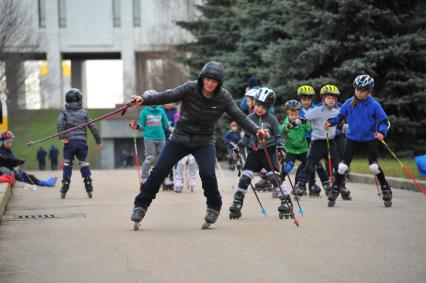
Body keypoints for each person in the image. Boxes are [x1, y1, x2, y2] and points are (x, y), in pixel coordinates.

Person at [130, 61, 266, 230]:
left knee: (208, 173)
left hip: (204, 140)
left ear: (219, 84)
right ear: (202, 78)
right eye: (208, 79)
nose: (210, 84)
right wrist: (144, 100)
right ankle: (140, 206)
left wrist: (257, 130)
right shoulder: (190, 88)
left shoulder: (223, 97)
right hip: (179, 138)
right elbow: (168, 95)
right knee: (159, 170)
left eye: (214, 81)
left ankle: (213, 207)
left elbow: (240, 117)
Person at [325, 75, 392, 207]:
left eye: (362, 90)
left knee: (374, 166)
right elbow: (339, 117)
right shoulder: (349, 102)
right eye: (357, 89)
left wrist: (382, 132)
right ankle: (335, 190)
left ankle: (386, 189)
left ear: (369, 91)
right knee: (342, 166)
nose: (359, 93)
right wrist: (330, 122)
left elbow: (384, 121)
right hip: (352, 139)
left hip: (369, 140)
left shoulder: (374, 105)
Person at [229, 87, 293, 220]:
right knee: (245, 178)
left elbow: (278, 135)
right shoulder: (249, 118)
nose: (259, 109)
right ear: (254, 102)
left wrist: (281, 146)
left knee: (274, 178)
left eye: (263, 107)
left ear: (268, 108)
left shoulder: (272, 120)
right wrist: (238, 147)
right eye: (257, 105)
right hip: (254, 152)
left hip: (268, 153)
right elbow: (246, 136)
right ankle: (237, 203)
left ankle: (286, 202)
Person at [293, 85, 351, 200]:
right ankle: (300, 186)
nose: (331, 100)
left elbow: (340, 125)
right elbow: (304, 119)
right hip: (317, 143)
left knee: (338, 166)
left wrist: (353, 127)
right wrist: (293, 124)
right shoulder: (316, 110)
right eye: (329, 98)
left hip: (331, 142)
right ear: (323, 98)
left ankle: (342, 187)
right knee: (309, 165)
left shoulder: (337, 112)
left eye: (333, 98)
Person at [57, 88, 102, 199]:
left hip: (70, 142)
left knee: (68, 163)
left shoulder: (64, 112)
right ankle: (88, 183)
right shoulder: (84, 113)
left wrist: (62, 136)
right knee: (83, 163)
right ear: (80, 99)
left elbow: (59, 123)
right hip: (82, 142)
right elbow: (93, 127)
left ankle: (65, 183)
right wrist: (98, 141)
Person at [296, 85, 329, 193]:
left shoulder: (317, 109)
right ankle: (301, 184)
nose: (306, 102)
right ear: (300, 99)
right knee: (307, 162)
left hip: (315, 139)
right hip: (302, 140)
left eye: (309, 99)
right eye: (304, 99)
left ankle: (311, 185)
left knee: (312, 162)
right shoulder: (297, 111)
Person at [130, 100, 170, 188]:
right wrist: (136, 126)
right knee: (150, 158)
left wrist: (174, 127)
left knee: (162, 159)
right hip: (149, 138)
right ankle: (144, 179)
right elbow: (141, 126)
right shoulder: (144, 112)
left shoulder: (161, 111)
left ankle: (160, 179)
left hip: (161, 137)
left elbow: (166, 124)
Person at [279, 100, 312, 197]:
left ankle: (299, 185)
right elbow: (280, 130)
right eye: (291, 115)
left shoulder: (302, 122)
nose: (294, 117)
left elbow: (310, 129)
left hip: (303, 149)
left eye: (296, 115)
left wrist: (309, 124)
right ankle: (279, 181)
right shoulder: (286, 124)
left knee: (308, 166)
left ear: (299, 113)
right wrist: (285, 128)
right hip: (291, 150)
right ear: (288, 114)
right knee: (288, 166)